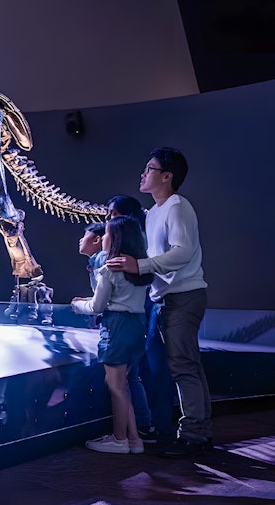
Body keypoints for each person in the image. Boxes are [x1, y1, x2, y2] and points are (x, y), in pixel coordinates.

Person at [108, 147, 211, 458]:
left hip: (183, 297)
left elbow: (182, 252)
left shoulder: (178, 207)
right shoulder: (153, 213)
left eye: (150, 168)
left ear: (167, 176)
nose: (143, 174)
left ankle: (193, 436)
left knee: (183, 366)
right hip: (165, 299)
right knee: (184, 365)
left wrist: (139, 266)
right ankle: (197, 432)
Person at [71, 215, 154, 455]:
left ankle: (119, 439)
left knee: (115, 385)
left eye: (106, 233)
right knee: (124, 383)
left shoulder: (109, 269)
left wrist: (77, 305)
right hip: (137, 325)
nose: (103, 238)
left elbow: (98, 307)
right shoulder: (139, 268)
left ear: (116, 237)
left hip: (116, 326)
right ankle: (134, 439)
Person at [107, 194, 170, 444]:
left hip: (143, 311)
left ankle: (148, 428)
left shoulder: (137, 250)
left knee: (141, 371)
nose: (108, 222)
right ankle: (142, 430)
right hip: (141, 311)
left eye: (112, 215)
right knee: (136, 372)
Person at [77, 221, 107, 290]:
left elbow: (105, 292)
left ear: (96, 240)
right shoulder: (94, 262)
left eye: (84, 236)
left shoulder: (102, 258)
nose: (81, 240)